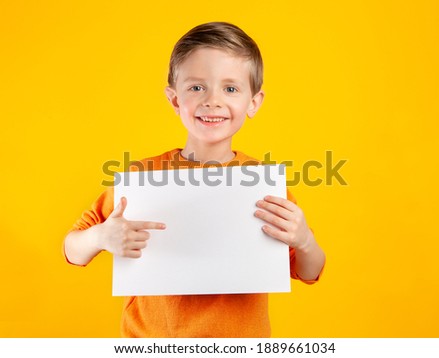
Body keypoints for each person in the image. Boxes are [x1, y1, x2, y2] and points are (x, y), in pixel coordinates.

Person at [64, 22, 326, 338]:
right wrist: (99, 238)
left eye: (230, 88)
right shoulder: (142, 177)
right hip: (152, 345)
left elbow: (307, 270)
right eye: (196, 87)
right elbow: (72, 249)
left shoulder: (265, 184)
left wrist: (305, 241)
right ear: (175, 100)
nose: (212, 101)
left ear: (253, 102)